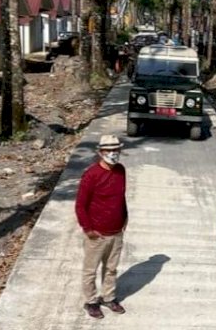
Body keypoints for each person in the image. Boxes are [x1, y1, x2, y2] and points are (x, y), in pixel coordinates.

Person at [75, 134, 129, 319]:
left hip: (116, 231)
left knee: (111, 268)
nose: (113, 154)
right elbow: (80, 205)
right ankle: (90, 301)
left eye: (116, 150)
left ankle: (109, 297)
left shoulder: (121, 170)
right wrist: (88, 229)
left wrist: (125, 218)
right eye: (109, 150)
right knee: (91, 270)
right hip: (96, 234)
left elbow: (121, 197)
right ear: (100, 152)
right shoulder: (91, 174)